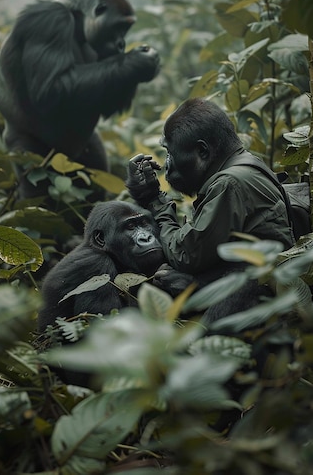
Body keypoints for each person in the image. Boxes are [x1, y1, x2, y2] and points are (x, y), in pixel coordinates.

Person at [126, 97, 295, 320]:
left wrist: (155, 201)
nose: (167, 164)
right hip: (259, 284)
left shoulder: (229, 184)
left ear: (202, 152)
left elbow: (185, 255)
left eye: (171, 153)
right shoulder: (246, 164)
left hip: (259, 296)